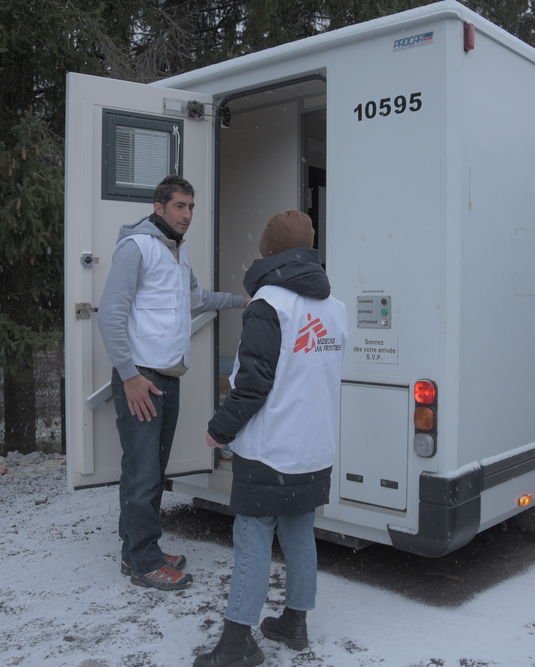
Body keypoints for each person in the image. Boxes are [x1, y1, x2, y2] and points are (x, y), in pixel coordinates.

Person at [196, 211, 348, 667]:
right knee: (300, 531)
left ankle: (238, 642)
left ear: (268, 251)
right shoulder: (334, 307)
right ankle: (295, 622)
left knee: (253, 537)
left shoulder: (269, 303)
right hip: (314, 445)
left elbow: (255, 384)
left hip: (271, 448)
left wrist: (219, 428)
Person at [97, 175, 249, 591]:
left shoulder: (177, 254)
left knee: (151, 471)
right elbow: (109, 315)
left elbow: (197, 300)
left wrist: (241, 301)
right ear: (159, 206)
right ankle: (145, 562)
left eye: (191, 207)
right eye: (180, 206)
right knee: (142, 472)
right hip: (141, 378)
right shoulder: (137, 248)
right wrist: (129, 376)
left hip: (166, 378)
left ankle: (138, 550)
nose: (187, 215)